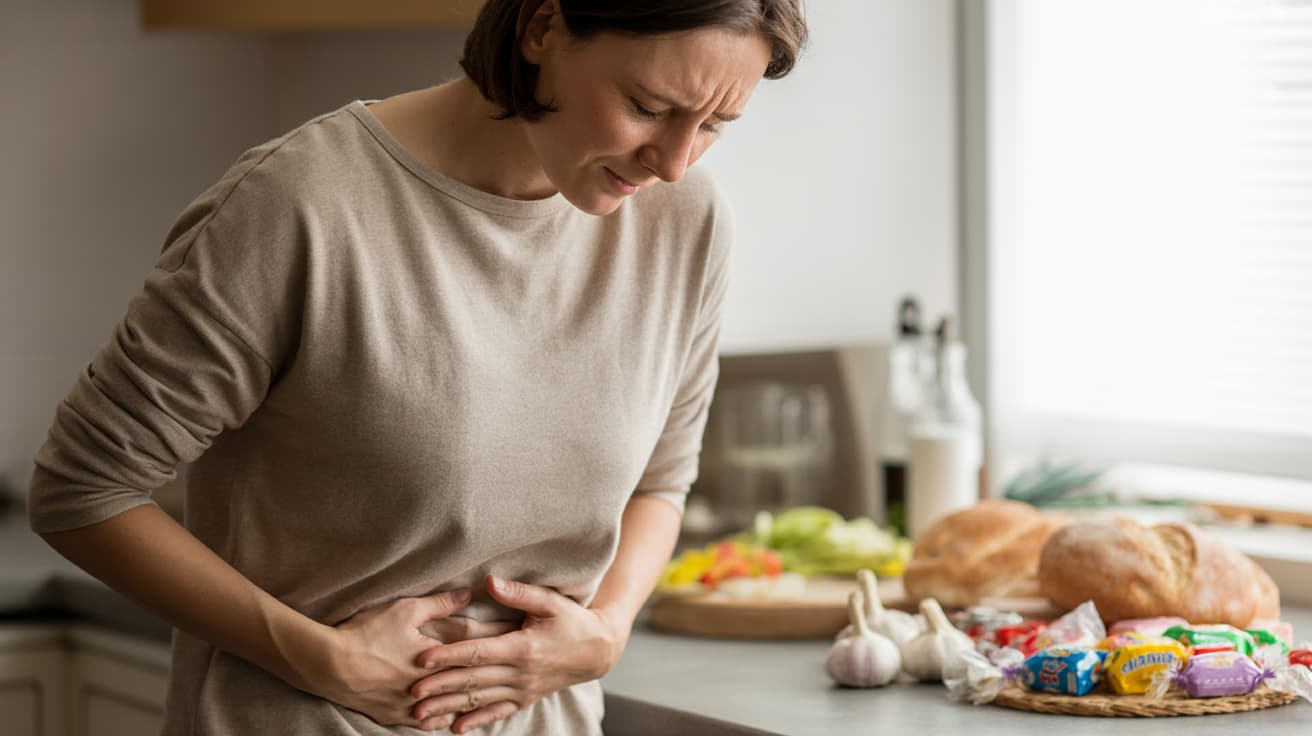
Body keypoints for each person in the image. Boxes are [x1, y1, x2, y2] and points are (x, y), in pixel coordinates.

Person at [27, 0, 807, 733]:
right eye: (649, 106)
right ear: (543, 29)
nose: (674, 161)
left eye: (715, 125)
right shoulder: (300, 205)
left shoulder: (686, 223)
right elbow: (81, 489)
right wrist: (325, 658)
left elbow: (660, 482)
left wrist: (606, 631)